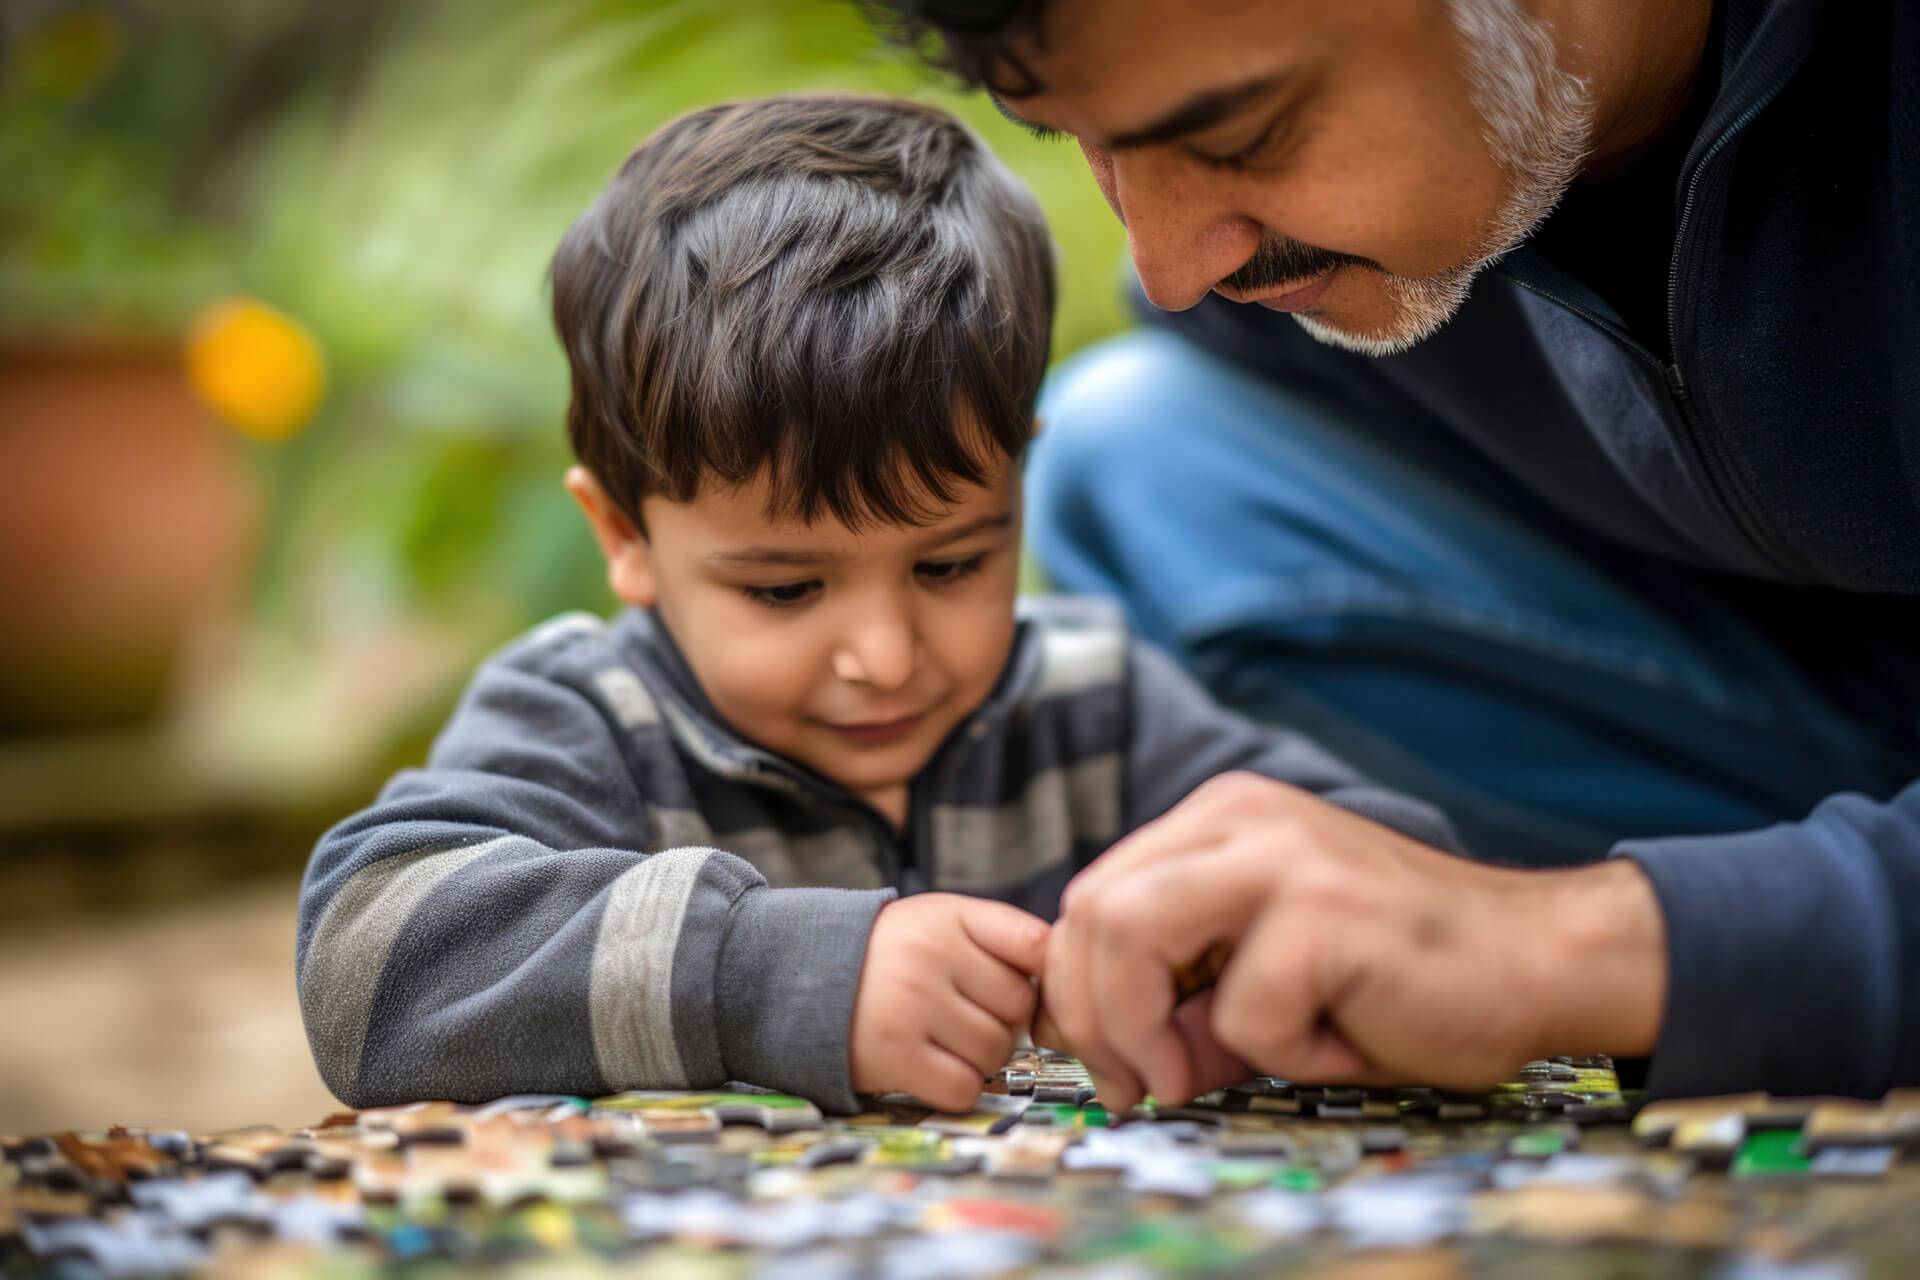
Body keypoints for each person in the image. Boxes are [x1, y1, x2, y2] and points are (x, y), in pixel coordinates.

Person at [294, 94, 1461, 1116]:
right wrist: (766, 971)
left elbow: (1391, 868)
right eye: (786, 587)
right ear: (626, 537)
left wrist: (1243, 949)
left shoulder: (1090, 703)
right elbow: (367, 957)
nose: (886, 656)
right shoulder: (591, 719)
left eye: (952, 563)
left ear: (1019, 483)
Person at [864, 0, 1920, 1110]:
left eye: (1238, 137)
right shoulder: (1272, 265)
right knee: (1140, 458)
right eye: (1083, 141)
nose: (1171, 263)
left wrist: (1565, 948)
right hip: (1823, 699)